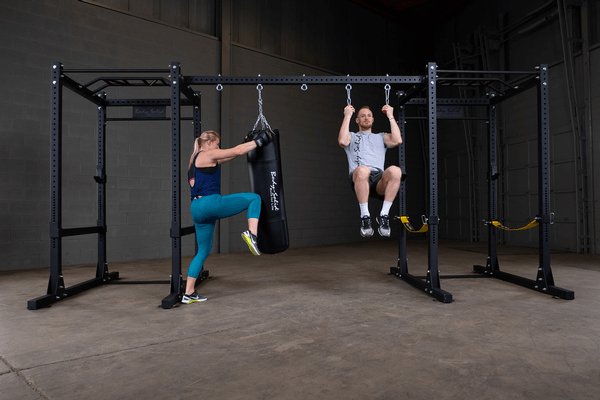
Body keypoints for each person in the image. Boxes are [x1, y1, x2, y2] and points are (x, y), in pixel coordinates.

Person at [182, 129, 271, 304]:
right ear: (208, 143)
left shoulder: (194, 159)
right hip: (211, 203)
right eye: (217, 143)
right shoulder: (207, 153)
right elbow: (236, 150)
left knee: (203, 251)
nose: (218, 147)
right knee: (254, 199)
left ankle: (189, 293)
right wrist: (260, 142)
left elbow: (232, 155)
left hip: (197, 209)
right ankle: (252, 235)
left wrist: (247, 143)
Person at [338, 104, 402, 237]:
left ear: (373, 120)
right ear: (357, 120)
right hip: (359, 177)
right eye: (362, 116)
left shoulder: (381, 137)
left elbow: (397, 140)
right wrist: (347, 115)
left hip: (379, 180)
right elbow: (342, 141)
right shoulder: (352, 136)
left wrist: (390, 115)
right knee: (362, 170)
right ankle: (365, 217)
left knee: (396, 171)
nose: (366, 118)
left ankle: (384, 216)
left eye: (369, 116)